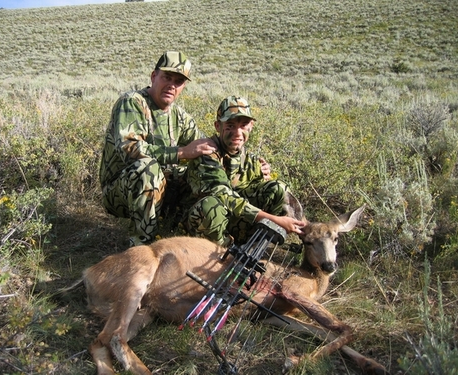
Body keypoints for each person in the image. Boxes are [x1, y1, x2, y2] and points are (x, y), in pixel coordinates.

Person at [99, 51, 216, 246]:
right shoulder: (132, 103)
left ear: (183, 86)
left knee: (205, 172)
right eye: (167, 77)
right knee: (148, 168)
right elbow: (130, 149)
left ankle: (197, 239)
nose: (171, 85)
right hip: (122, 191)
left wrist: (252, 165)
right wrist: (181, 153)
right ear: (154, 77)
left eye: (178, 81)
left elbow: (204, 146)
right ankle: (142, 245)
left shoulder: (180, 117)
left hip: (163, 189)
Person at [186, 95, 304, 246]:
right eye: (230, 125)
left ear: (251, 126)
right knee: (211, 206)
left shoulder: (251, 161)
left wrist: (265, 181)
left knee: (278, 189)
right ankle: (219, 255)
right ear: (217, 126)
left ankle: (255, 247)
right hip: (202, 223)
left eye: (243, 125)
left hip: (233, 222)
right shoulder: (206, 154)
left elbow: (257, 191)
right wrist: (273, 219)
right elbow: (224, 196)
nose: (237, 132)